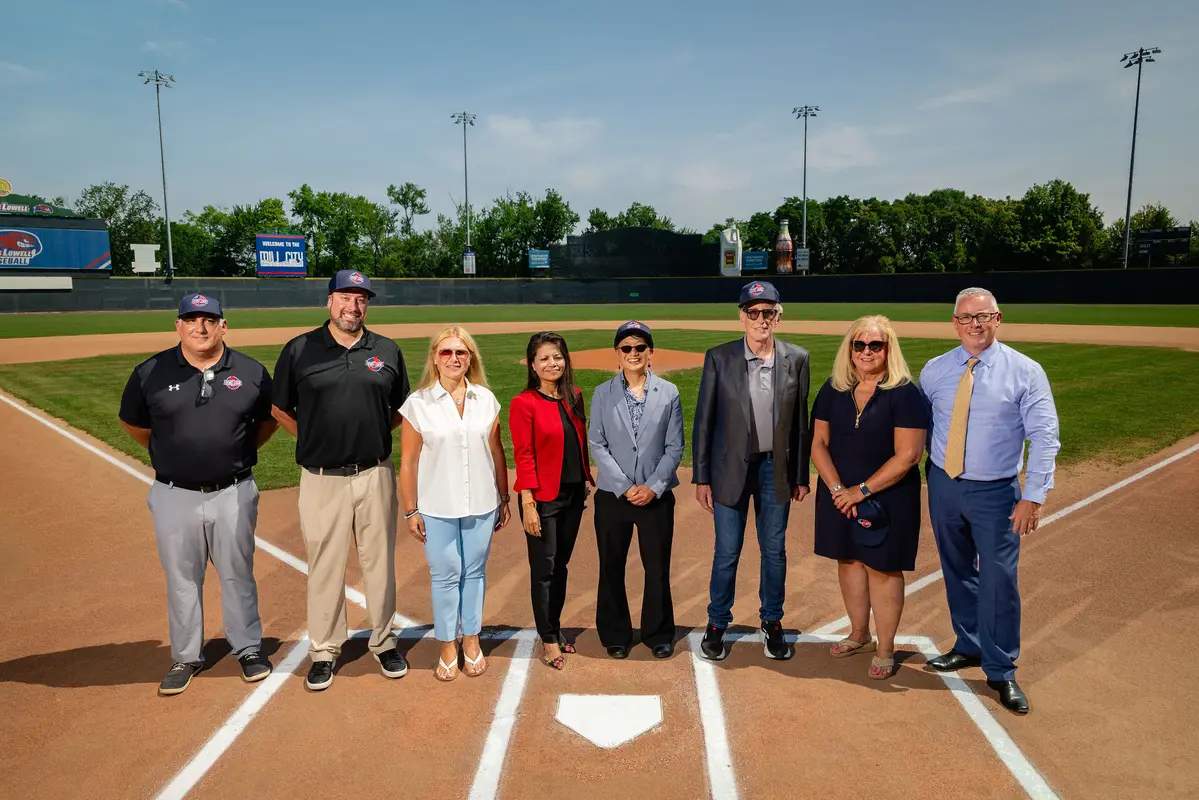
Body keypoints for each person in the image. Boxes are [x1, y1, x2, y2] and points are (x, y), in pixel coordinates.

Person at [118, 293, 277, 696]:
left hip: (234, 491)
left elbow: (266, 422)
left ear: (224, 325)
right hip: (175, 494)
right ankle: (186, 656)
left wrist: (233, 452)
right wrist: (171, 453)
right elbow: (135, 424)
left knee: (237, 573)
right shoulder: (150, 371)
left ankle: (248, 648)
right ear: (178, 326)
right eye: (191, 319)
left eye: (209, 319)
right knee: (182, 579)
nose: (200, 327)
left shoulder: (252, 371)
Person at [920, 287, 1060, 714]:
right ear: (955, 323)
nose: (975, 324)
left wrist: (1033, 496)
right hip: (944, 483)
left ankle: (1001, 669)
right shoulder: (936, 370)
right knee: (957, 567)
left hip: (997, 492)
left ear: (998, 319)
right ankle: (969, 644)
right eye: (966, 318)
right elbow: (918, 426)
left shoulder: (1025, 371)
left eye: (984, 316)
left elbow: (1044, 436)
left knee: (998, 579)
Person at [271, 270, 411, 692]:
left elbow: (400, 409)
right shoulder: (300, 349)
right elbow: (280, 409)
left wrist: (370, 437)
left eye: (361, 299)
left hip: (374, 472)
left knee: (380, 564)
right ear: (329, 301)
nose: (354, 306)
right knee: (325, 566)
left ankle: (384, 641)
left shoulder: (385, 349)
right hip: (321, 478)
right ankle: (325, 651)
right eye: (346, 298)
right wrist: (315, 439)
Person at [693, 280, 811, 662]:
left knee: (774, 551)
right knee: (727, 551)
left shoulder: (796, 358)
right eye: (753, 312)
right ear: (741, 315)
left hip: (774, 469)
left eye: (768, 312)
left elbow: (800, 424)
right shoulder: (719, 357)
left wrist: (800, 475)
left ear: (779, 314)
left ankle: (772, 622)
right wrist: (701, 476)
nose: (761, 319)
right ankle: (716, 623)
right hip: (730, 469)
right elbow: (704, 422)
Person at [810, 316, 927, 680]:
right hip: (838, 495)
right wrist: (837, 491)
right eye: (858, 345)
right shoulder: (833, 390)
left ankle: (885, 646)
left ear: (888, 349)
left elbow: (908, 455)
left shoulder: (905, 393)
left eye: (875, 345)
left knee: (883, 567)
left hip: (887, 496)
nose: (865, 352)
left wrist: (860, 491)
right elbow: (818, 444)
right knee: (848, 561)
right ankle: (859, 634)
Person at [398, 327, 510, 681]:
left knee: (474, 572)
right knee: (445, 575)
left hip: (481, 502)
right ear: (434, 357)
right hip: (436, 506)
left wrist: (504, 497)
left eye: (461, 353)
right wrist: (411, 509)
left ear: (470, 359)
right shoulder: (418, 404)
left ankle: (472, 640)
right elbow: (408, 462)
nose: (454, 359)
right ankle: (448, 643)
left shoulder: (485, 400)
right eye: (446, 352)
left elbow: (496, 452)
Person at [588, 321, 685, 659]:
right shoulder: (603, 393)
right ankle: (615, 633)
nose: (633, 353)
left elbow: (675, 447)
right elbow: (597, 444)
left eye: (639, 347)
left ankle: (658, 632)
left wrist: (653, 487)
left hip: (655, 496)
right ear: (617, 353)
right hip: (614, 495)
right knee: (611, 565)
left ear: (650, 352)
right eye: (626, 348)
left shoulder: (669, 392)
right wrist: (627, 487)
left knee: (657, 566)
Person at [509, 332, 594, 670]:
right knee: (543, 570)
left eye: (557, 357)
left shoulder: (574, 395)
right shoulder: (524, 403)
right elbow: (524, 454)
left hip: (573, 495)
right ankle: (547, 638)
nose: (552, 363)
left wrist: (584, 479)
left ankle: (555, 628)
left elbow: (579, 442)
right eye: (544, 358)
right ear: (532, 365)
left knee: (560, 567)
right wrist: (528, 503)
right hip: (542, 498)